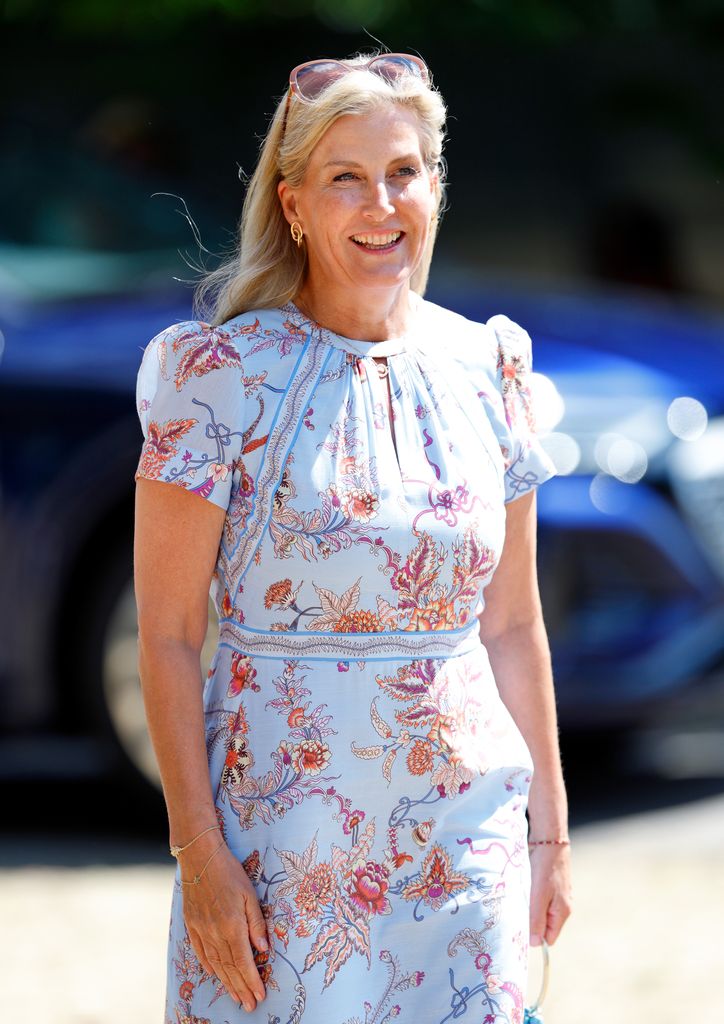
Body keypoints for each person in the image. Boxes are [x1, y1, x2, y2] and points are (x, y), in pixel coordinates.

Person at [134, 50, 572, 1024]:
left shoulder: (488, 365)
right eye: (346, 178)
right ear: (292, 204)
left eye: (403, 171)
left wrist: (550, 833)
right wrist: (199, 855)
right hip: (284, 856)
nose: (382, 204)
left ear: (435, 187)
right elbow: (165, 635)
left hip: (466, 849)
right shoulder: (217, 376)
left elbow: (512, 623)